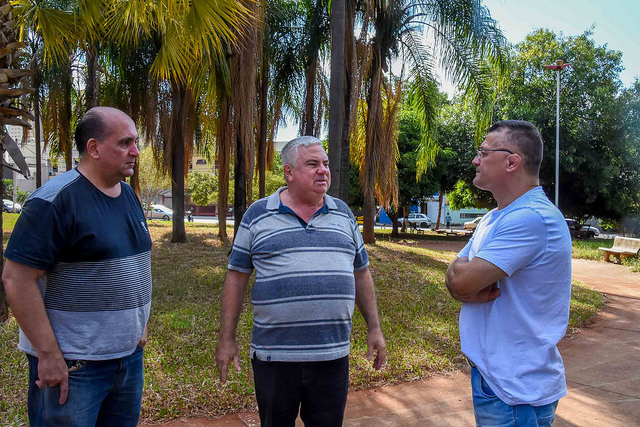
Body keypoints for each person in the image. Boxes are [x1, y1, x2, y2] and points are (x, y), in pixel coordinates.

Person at [215, 136, 386, 427]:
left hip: (332, 356)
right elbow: (236, 277)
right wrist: (226, 338)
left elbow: (361, 272)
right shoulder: (258, 215)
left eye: (325, 163)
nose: (323, 170)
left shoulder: (343, 214)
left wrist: (374, 327)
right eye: (312, 164)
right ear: (289, 172)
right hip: (275, 358)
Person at [3, 107, 152, 427]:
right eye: (125, 143)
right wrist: (48, 354)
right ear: (94, 148)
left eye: (135, 142)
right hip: (74, 366)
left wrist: (137, 327)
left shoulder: (127, 195)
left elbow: (132, 266)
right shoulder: (54, 201)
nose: (135, 152)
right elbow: (16, 279)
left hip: (127, 361)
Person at [445, 120, 572, 426]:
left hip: (515, 391)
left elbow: (460, 279)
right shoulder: (496, 217)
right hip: (499, 380)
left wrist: (462, 279)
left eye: (484, 153)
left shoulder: (531, 218)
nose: (476, 160)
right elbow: (454, 279)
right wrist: (460, 280)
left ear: (512, 161)